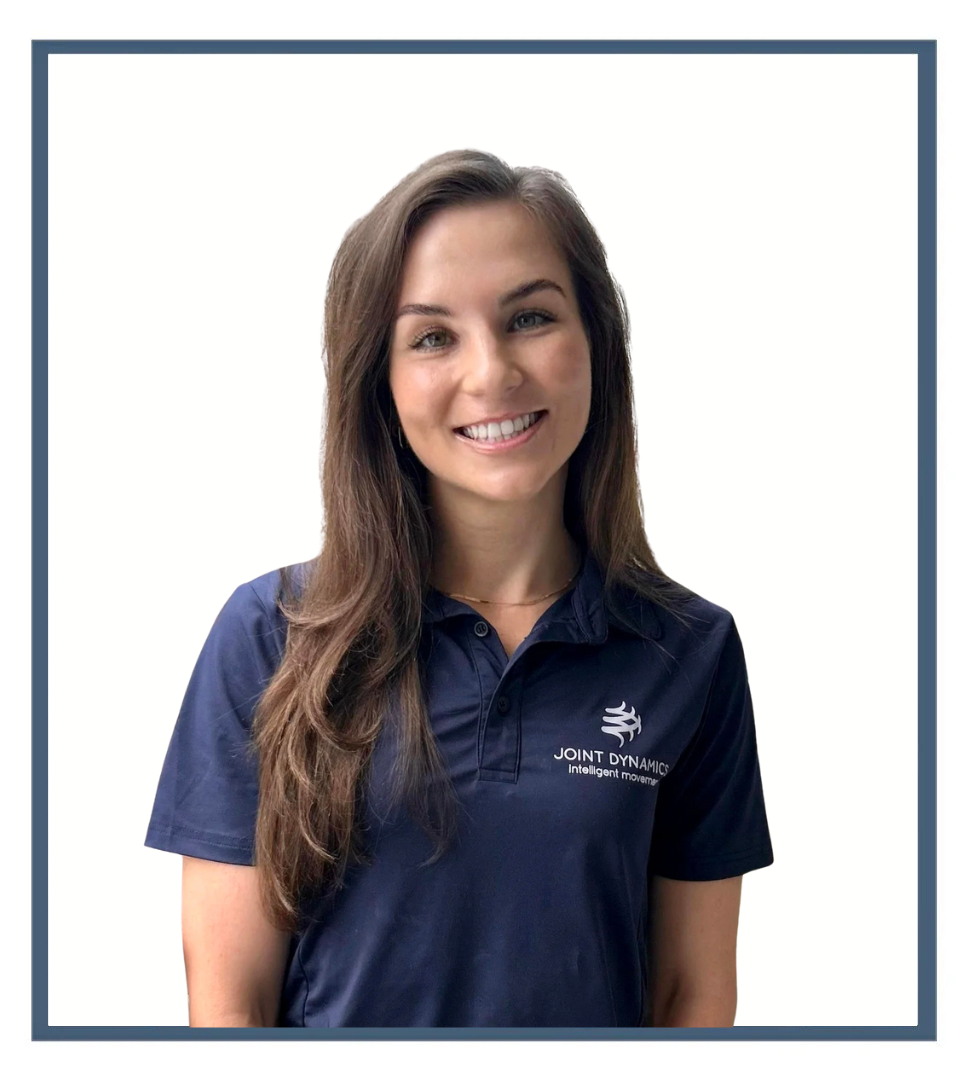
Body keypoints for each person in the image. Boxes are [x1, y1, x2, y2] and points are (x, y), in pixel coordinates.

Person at [144, 148, 775, 1029]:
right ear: (381, 382)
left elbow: (692, 997)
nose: (492, 374)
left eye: (530, 318)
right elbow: (227, 1006)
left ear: (595, 341)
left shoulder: (689, 651)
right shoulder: (271, 634)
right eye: (433, 336)